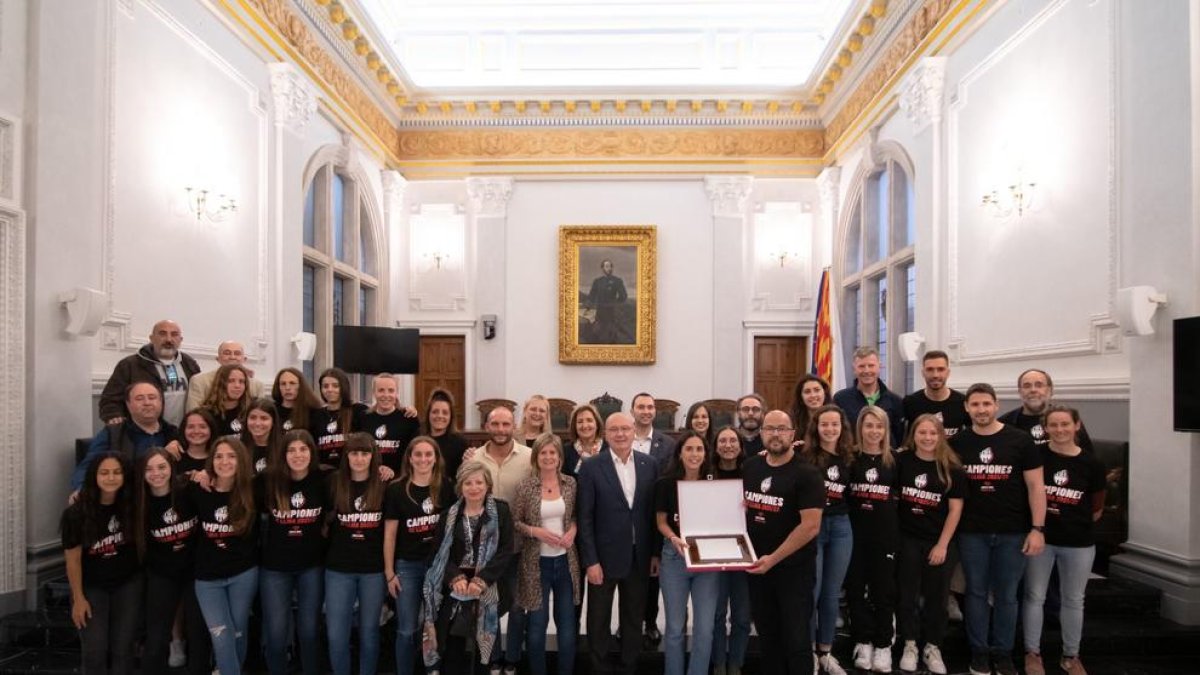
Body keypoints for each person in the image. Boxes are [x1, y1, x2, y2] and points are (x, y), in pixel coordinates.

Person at [950, 383, 1046, 675]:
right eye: (975, 405)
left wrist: (1037, 528)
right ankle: (979, 651)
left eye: (986, 404)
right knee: (976, 593)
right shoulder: (959, 444)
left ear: (996, 405)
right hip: (972, 532)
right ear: (967, 407)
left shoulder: (1020, 440)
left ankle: (1003, 652)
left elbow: (1036, 486)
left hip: (1012, 531)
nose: (981, 410)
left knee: (1006, 595)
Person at [1021, 406, 1106, 675]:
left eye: (1065, 424)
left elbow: (1097, 507)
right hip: (1041, 539)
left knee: (1074, 599)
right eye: (1053, 425)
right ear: (1045, 428)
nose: (1059, 430)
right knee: (1034, 595)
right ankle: (1032, 653)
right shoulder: (1036, 457)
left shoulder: (1092, 463)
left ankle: (1071, 655)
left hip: (1079, 542)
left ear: (1076, 425)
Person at [742, 410, 825, 675]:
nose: (775, 434)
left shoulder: (808, 474)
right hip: (758, 568)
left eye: (781, 429)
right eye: (770, 429)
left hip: (793, 571)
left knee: (797, 639)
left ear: (792, 434)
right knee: (768, 637)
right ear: (762, 433)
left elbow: (811, 526)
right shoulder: (751, 467)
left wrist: (773, 559)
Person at [577, 411, 659, 675]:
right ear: (606, 434)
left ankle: (628, 666)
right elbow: (585, 517)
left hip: (639, 555)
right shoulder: (591, 467)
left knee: (633, 617)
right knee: (598, 618)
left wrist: (655, 554)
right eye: (614, 430)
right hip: (603, 558)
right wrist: (590, 561)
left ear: (634, 431)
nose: (621, 434)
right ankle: (599, 667)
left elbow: (652, 513)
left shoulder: (650, 464)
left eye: (625, 429)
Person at [420, 461, 516, 675]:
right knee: (453, 648)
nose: (474, 488)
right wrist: (455, 578)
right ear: (460, 487)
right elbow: (438, 554)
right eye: (468, 483)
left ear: (487, 485)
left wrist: (482, 580)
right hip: (455, 590)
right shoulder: (448, 516)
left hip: (487, 589)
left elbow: (506, 550)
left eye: (479, 483)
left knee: (483, 654)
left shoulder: (500, 511)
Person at [895, 415, 965, 675]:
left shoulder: (952, 467)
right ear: (913, 435)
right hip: (907, 539)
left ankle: (932, 646)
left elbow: (956, 510)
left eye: (933, 433)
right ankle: (910, 644)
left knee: (937, 598)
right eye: (921, 433)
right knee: (907, 595)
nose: (927, 438)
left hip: (939, 541)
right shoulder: (902, 461)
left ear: (941, 435)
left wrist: (943, 545)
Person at [62, 452, 142, 675]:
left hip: (128, 585)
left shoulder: (133, 506)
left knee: (124, 650)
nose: (111, 478)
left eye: (117, 472)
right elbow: (73, 560)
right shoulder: (76, 513)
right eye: (104, 472)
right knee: (94, 651)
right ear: (93, 476)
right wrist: (78, 598)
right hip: (91, 588)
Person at [186, 438, 260, 675]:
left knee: (238, 632)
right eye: (218, 456)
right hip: (208, 579)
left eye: (231, 456)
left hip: (243, 574)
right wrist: (194, 475)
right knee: (221, 634)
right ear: (211, 461)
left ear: (241, 460)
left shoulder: (253, 489)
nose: (224, 461)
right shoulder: (199, 489)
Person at [258, 430, 328, 675]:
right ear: (282, 454)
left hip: (312, 566)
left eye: (303, 449)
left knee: (309, 632)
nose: (297, 455)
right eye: (291, 450)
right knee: (276, 634)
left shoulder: (324, 479)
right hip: (275, 568)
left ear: (312, 452)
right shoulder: (268, 480)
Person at [384, 436, 454, 675]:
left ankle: (432, 670)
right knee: (406, 629)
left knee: (433, 625)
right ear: (410, 458)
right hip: (407, 566)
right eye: (418, 454)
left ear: (436, 458)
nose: (423, 459)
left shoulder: (446, 486)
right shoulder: (396, 489)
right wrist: (389, 573)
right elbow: (390, 534)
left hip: (439, 567)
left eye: (428, 454)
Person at [137, 448, 210, 675]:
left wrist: (202, 475)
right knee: (157, 634)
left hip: (194, 571)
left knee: (198, 630)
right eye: (149, 469)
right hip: (161, 573)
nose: (156, 473)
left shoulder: (187, 491)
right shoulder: (138, 501)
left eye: (161, 467)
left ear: (171, 468)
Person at [513, 433, 581, 675]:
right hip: (535, 564)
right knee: (536, 626)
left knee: (567, 627)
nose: (549, 457)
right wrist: (536, 531)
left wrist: (572, 530)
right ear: (536, 457)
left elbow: (574, 516)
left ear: (560, 457)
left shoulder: (570, 484)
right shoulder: (526, 486)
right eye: (543, 452)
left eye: (553, 452)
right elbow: (515, 522)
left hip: (565, 562)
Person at [656, 430, 720, 675]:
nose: (695, 454)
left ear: (706, 454)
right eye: (689, 449)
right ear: (680, 453)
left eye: (699, 449)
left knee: (704, 629)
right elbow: (661, 521)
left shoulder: (714, 483)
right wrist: (672, 537)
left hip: (707, 561)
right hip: (674, 559)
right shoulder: (665, 483)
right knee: (674, 628)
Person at [325, 432, 387, 675]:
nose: (359, 458)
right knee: (336, 633)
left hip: (373, 570)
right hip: (339, 569)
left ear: (373, 456)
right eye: (354, 453)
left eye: (365, 453)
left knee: (369, 631)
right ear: (346, 456)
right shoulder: (333, 482)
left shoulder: (383, 485)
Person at [845, 407, 900, 673]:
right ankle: (863, 641)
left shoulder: (894, 460)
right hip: (854, 536)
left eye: (879, 426)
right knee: (855, 590)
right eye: (868, 425)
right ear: (860, 428)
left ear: (885, 430)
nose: (874, 431)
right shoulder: (850, 458)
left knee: (883, 592)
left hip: (884, 537)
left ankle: (883, 645)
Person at [802, 405, 856, 675]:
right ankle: (809, 650)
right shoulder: (806, 455)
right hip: (814, 527)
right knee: (813, 590)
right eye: (825, 424)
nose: (830, 429)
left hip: (841, 527)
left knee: (832, 593)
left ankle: (826, 650)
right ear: (816, 427)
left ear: (842, 427)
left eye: (835, 424)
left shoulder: (850, 456)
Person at [73, 381, 180, 493]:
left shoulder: (173, 433)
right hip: (126, 499)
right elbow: (89, 465)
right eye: (139, 398)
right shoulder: (114, 432)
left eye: (152, 397)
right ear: (128, 405)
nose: (147, 402)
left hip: (165, 499)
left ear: (161, 402)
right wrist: (80, 489)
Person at [630, 391, 676, 645]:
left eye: (650, 407)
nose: (646, 411)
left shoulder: (667, 444)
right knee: (627, 575)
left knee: (651, 573)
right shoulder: (621, 437)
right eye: (641, 407)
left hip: (654, 516)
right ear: (632, 411)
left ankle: (650, 622)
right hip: (624, 516)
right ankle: (629, 622)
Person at [99, 319, 200, 427]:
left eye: (174, 335)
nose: (169, 339)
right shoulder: (129, 365)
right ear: (152, 338)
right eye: (162, 334)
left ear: (180, 340)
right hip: (145, 432)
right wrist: (114, 415)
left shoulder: (189, 364)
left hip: (183, 431)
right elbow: (110, 399)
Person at [710, 427, 751, 675]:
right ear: (715, 446)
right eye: (722, 441)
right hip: (712, 552)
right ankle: (719, 663)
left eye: (732, 440)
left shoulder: (753, 473)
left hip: (745, 552)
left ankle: (736, 662)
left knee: (742, 615)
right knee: (716, 614)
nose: (728, 445)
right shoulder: (707, 475)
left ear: (740, 445)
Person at [998, 369, 1094, 453]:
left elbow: (1087, 456)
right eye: (1027, 386)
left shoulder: (1068, 420)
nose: (1033, 390)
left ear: (1050, 390)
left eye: (1039, 385)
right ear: (1019, 392)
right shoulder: (1005, 423)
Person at [833, 346, 906, 446]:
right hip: (851, 458)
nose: (866, 371)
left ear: (879, 367)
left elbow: (899, 436)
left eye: (871, 366)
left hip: (885, 459)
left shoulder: (895, 401)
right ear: (854, 369)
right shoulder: (840, 399)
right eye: (861, 366)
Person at [360, 373, 420, 475]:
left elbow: (414, 452)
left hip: (399, 479)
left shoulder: (409, 418)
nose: (386, 395)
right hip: (370, 478)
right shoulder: (364, 418)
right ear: (374, 393)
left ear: (397, 393)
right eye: (381, 390)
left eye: (391, 390)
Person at [902, 350, 968, 438]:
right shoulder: (910, 402)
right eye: (930, 369)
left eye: (940, 369)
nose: (935, 375)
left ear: (948, 372)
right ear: (923, 373)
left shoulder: (963, 402)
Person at [311, 367, 367, 468]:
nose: (330, 390)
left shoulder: (358, 410)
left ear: (343, 387)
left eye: (335, 386)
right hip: (324, 473)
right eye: (325, 386)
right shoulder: (316, 415)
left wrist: (402, 409)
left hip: (350, 472)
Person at [186, 341, 264, 411]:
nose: (232, 357)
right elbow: (193, 415)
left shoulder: (257, 385)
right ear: (218, 359)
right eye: (227, 353)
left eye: (237, 353)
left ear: (244, 359)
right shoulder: (200, 381)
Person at [582, 258, 631, 344]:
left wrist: (614, 303)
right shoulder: (597, 281)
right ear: (602, 268)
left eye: (611, 266)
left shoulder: (617, 281)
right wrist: (587, 307)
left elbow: (623, 296)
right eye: (607, 266)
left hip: (612, 312)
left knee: (612, 334)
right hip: (600, 312)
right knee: (597, 332)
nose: (609, 268)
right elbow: (591, 296)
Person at [423, 388, 469, 480]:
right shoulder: (418, 437)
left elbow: (462, 477)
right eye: (435, 412)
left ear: (451, 417)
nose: (440, 416)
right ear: (428, 414)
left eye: (445, 413)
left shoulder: (460, 443)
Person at [200, 364, 254, 436]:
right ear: (220, 383)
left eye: (241, 381)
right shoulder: (206, 414)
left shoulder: (252, 409)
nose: (237, 386)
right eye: (231, 381)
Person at [271, 367, 323, 433]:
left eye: (292, 383)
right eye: (283, 384)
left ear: (301, 386)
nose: (287, 388)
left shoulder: (313, 411)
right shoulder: (272, 410)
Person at [563, 403, 606, 477]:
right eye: (580, 422)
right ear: (574, 426)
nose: (585, 425)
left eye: (589, 420)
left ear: (597, 424)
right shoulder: (565, 451)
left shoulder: (609, 449)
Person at [240, 397, 281, 475]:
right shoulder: (237, 448)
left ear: (273, 422)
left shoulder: (284, 448)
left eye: (264, 418)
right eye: (253, 418)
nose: (257, 423)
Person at [789, 376, 832, 449]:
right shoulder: (791, 422)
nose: (813, 395)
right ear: (801, 398)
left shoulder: (837, 418)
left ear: (825, 393)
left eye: (817, 390)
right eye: (807, 392)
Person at [177, 408, 217, 479]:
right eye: (191, 427)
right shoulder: (175, 458)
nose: (196, 431)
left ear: (211, 430)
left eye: (202, 427)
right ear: (183, 430)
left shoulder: (218, 460)